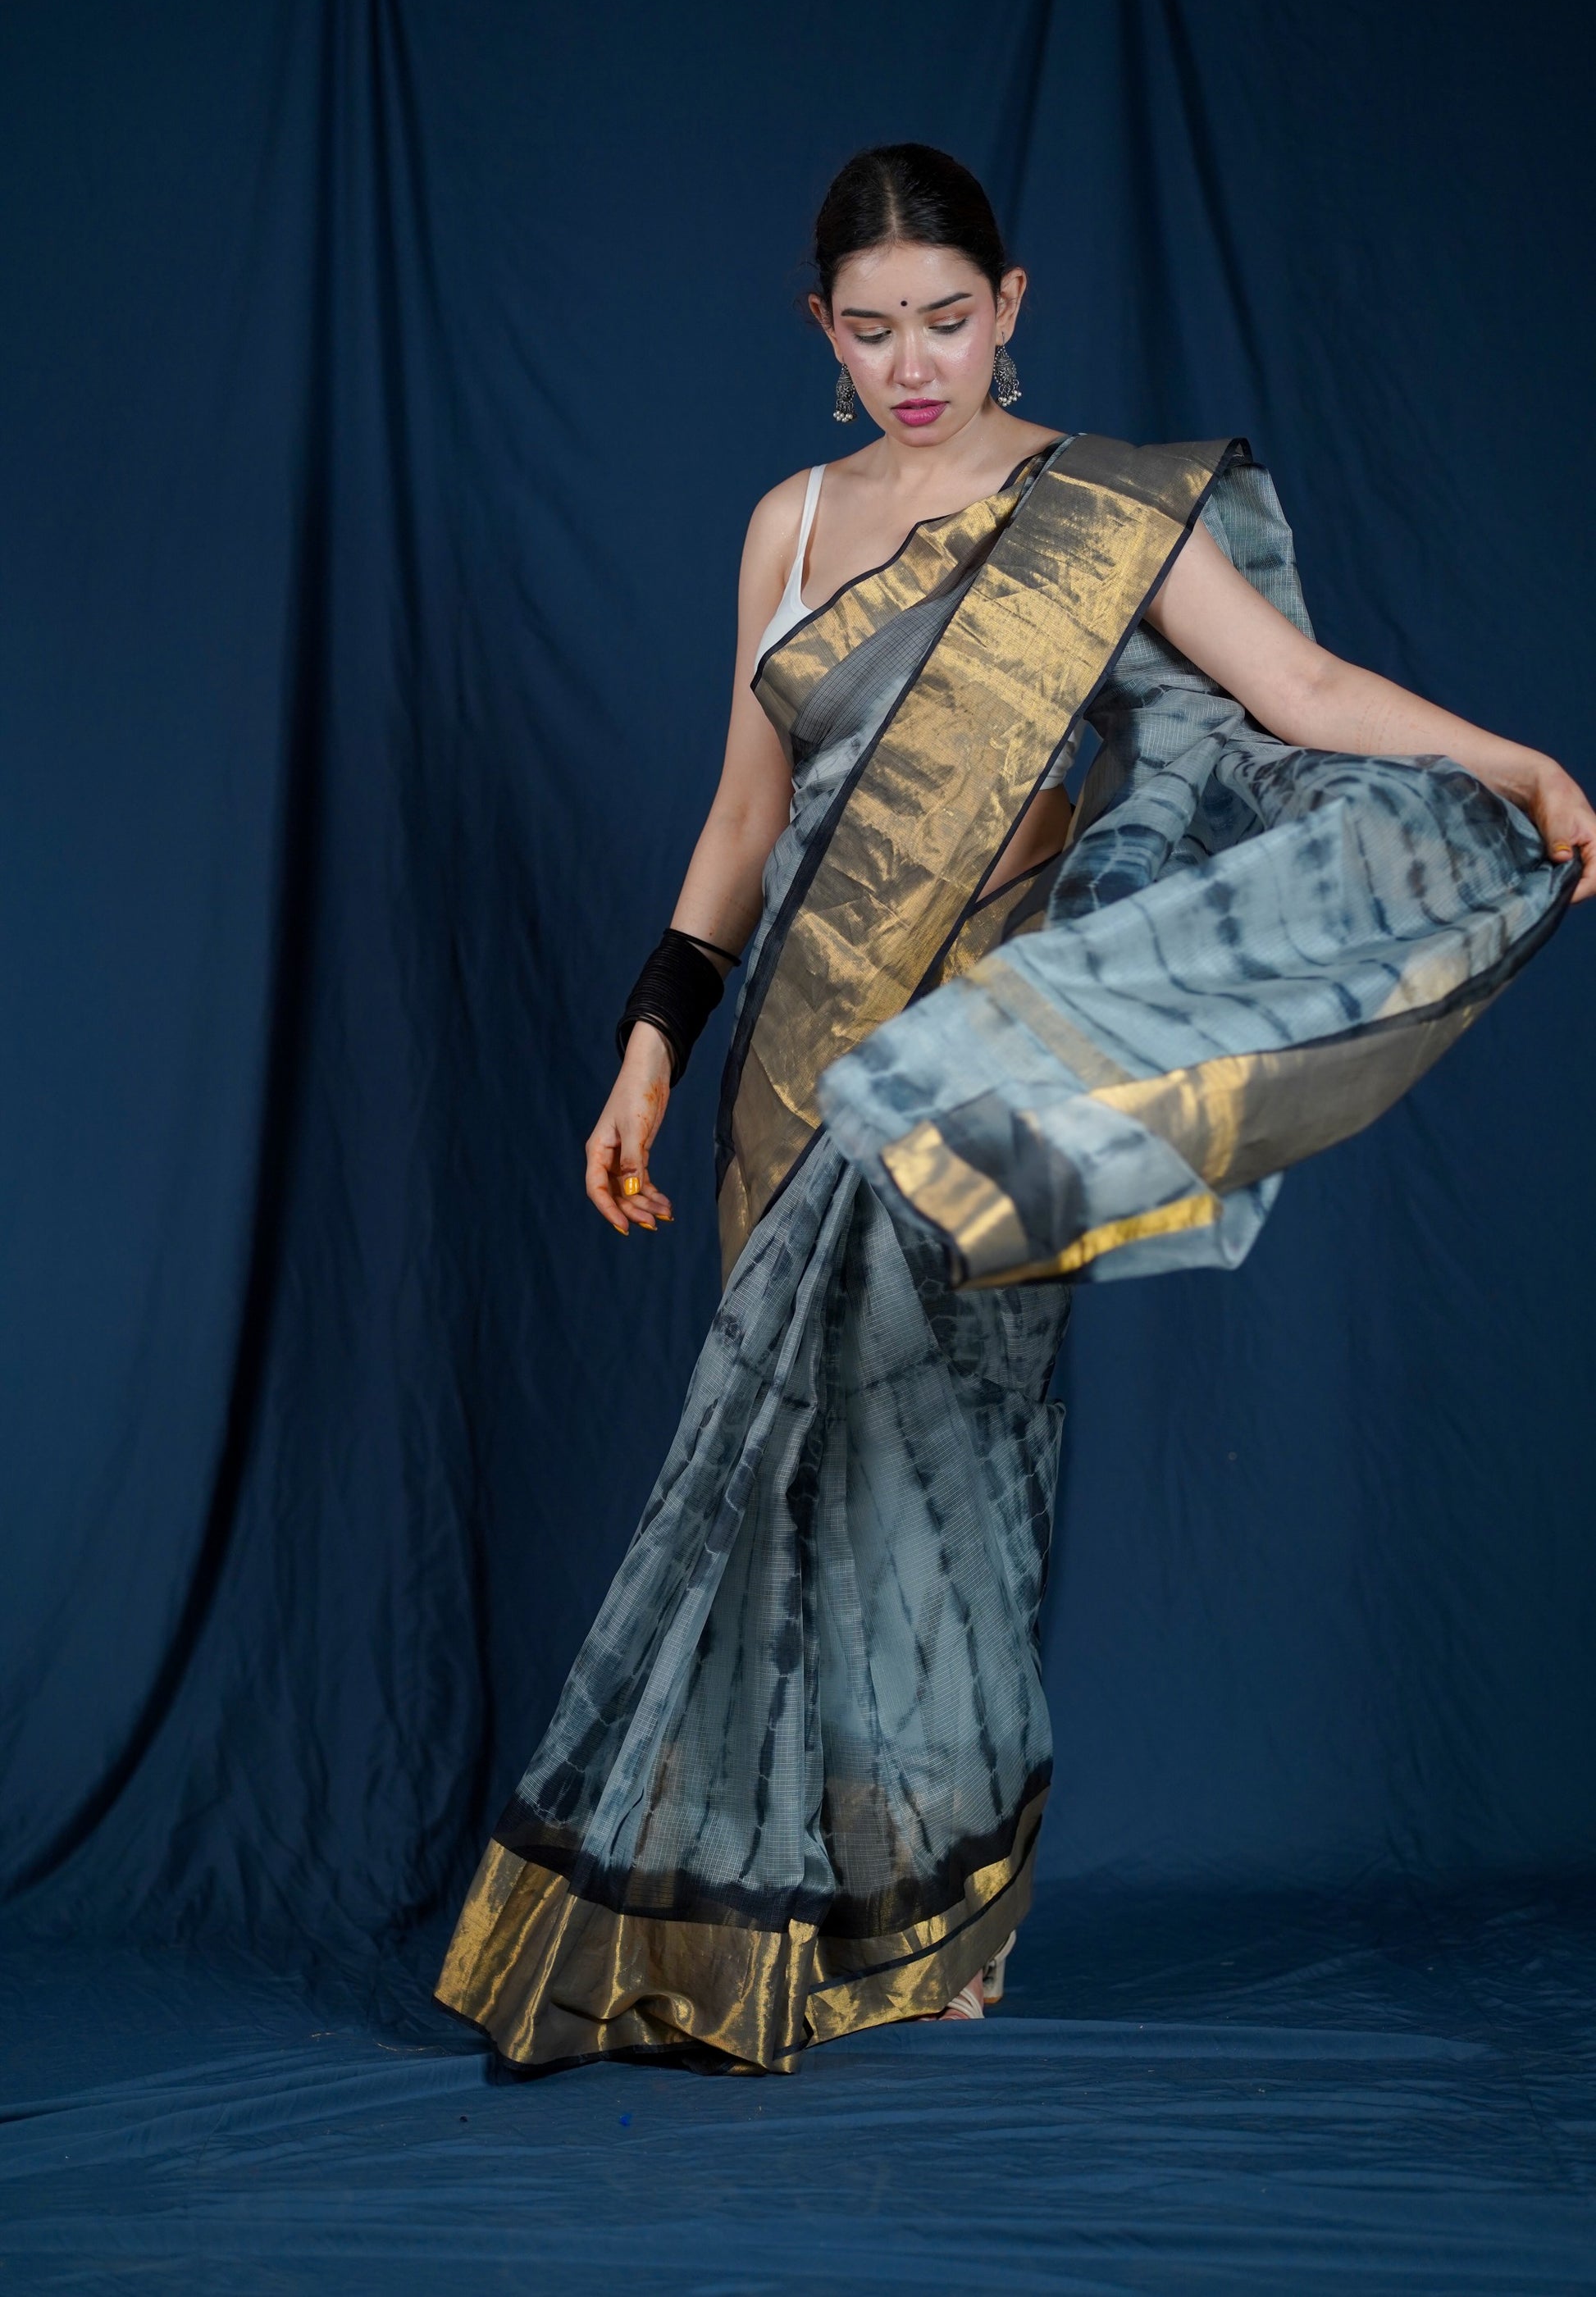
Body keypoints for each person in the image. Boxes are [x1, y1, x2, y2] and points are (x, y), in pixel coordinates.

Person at [436, 144, 1594, 2074]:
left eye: (947, 321)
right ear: (819, 331)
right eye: (871, 330)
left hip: (978, 1078)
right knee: (785, 1481)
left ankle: (936, 1915)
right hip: (789, 1073)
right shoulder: (790, 524)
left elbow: (1301, 688)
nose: (913, 365)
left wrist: (1508, 757)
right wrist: (650, 1038)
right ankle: (759, 1915)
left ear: (1011, 306)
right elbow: (742, 818)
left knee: (954, 1478)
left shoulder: (1106, 513)